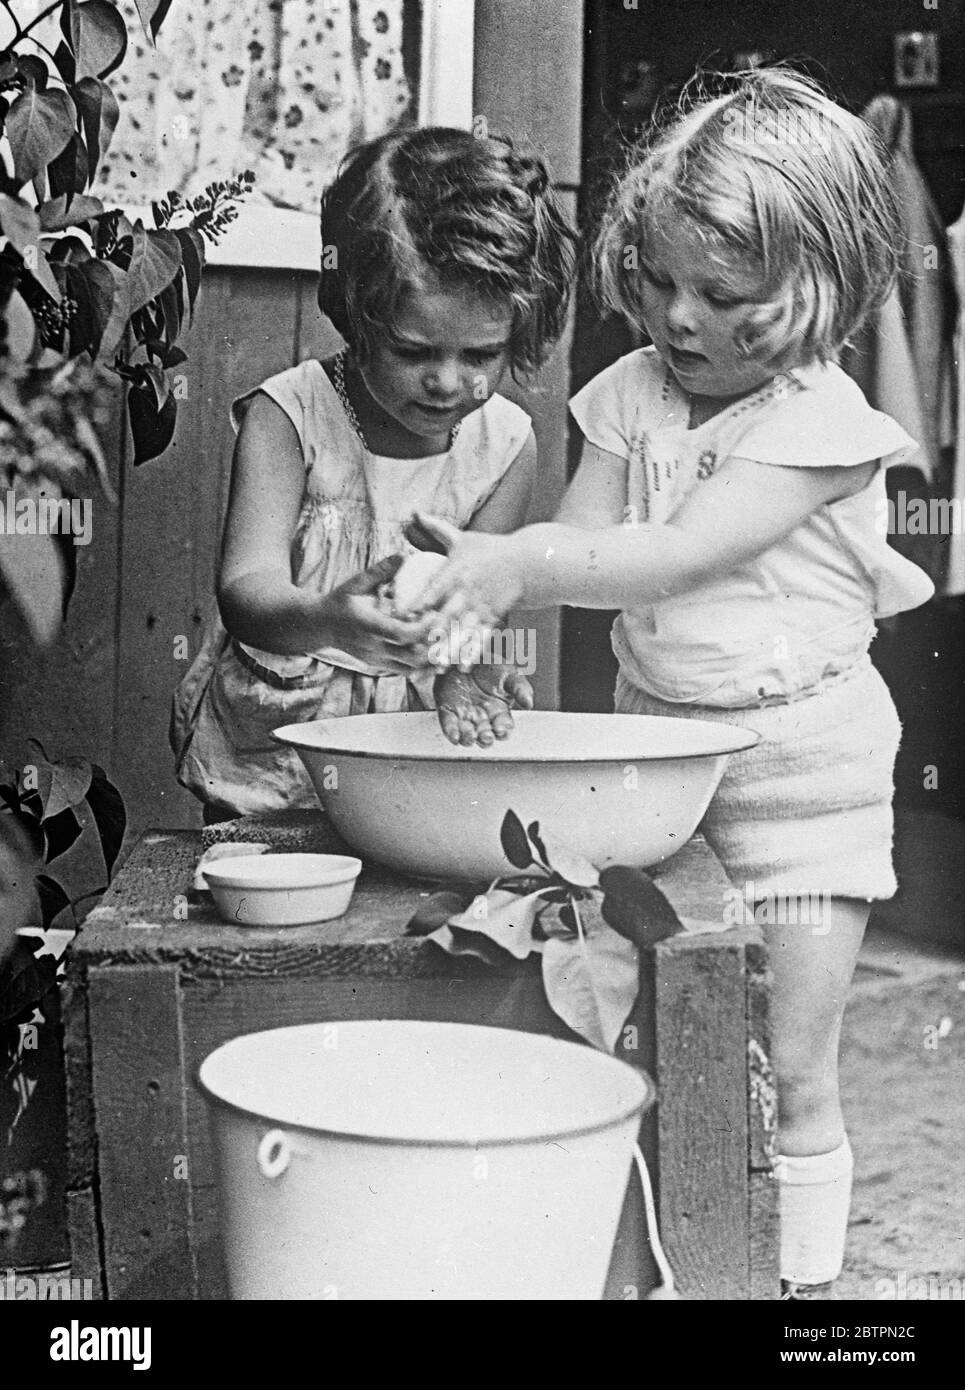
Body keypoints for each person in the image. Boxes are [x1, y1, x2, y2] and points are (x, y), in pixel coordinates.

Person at [411, 69, 935, 1299]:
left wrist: (511, 567)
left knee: (788, 1061)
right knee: (654, 1025)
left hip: (803, 779)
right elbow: (586, 547)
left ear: (822, 290)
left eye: (721, 296)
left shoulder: (818, 428)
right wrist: (480, 605)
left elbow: (665, 552)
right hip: (653, 762)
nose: (677, 319)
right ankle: (658, 1268)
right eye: (655, 281)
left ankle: (804, 1297)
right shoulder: (625, 395)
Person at [170, 126, 575, 819]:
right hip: (282, 730)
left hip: (409, 736)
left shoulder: (505, 444)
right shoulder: (289, 416)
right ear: (357, 312)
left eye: (481, 355)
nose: (447, 383)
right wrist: (325, 619)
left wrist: (467, 674)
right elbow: (245, 588)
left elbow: (473, 605)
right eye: (413, 350)